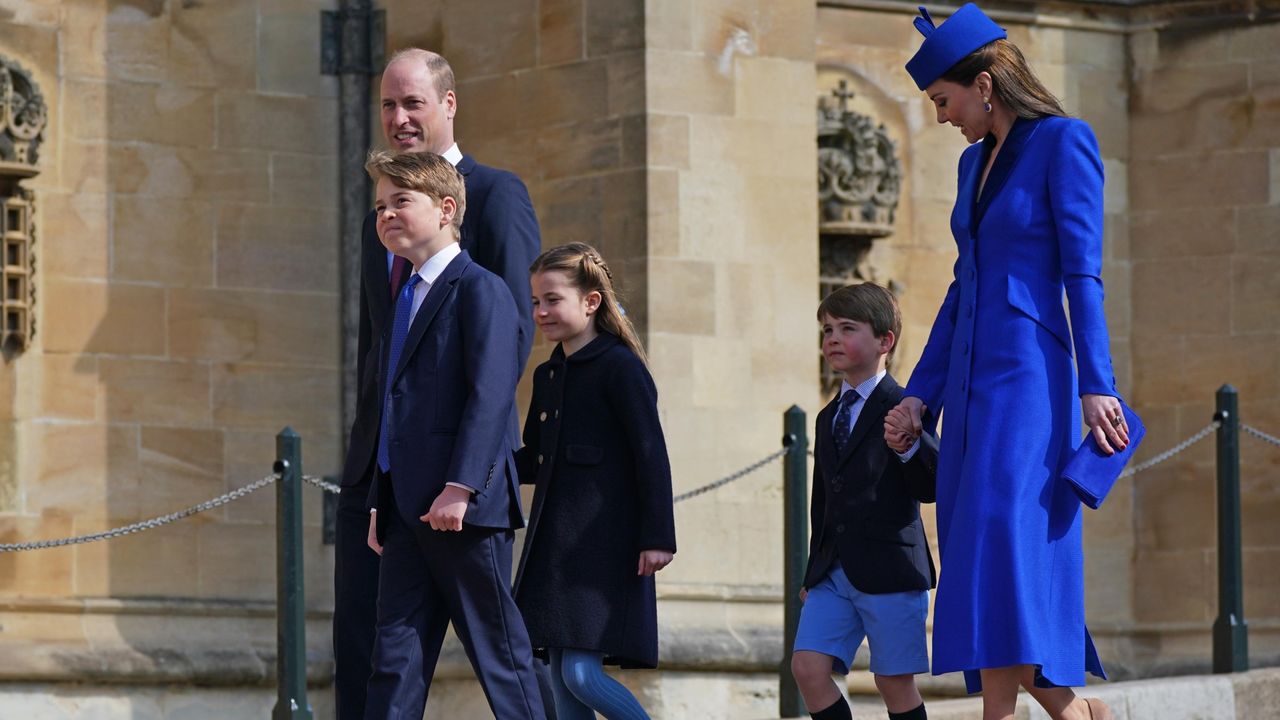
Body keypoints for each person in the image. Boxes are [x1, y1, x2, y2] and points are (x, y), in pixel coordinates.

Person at [887, 5, 1129, 720]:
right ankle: (1066, 711)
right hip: (967, 386)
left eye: (943, 101)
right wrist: (918, 396)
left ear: (985, 85)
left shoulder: (1064, 142)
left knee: (1003, 544)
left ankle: (1043, 710)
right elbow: (965, 287)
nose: (940, 118)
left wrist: (1097, 386)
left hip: (1030, 382)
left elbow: (1083, 274)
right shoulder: (970, 164)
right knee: (981, 559)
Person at [334, 48, 541, 719]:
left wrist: (466, 475)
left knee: (497, 655)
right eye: (388, 105)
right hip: (385, 477)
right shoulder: (382, 221)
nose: (397, 118)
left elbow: (505, 343)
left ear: (448, 104)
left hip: (460, 480)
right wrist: (374, 475)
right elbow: (378, 349)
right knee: (374, 653)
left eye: (412, 103)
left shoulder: (496, 195)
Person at [512, 243, 677, 720]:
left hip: (605, 549)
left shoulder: (621, 368)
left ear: (591, 302)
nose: (541, 312)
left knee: (581, 675)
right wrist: (467, 472)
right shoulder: (548, 375)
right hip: (555, 552)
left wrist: (657, 537)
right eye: (536, 302)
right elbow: (534, 459)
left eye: (553, 300)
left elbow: (652, 457)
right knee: (563, 683)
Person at [790, 283, 939, 720]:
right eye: (827, 330)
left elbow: (930, 486)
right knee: (808, 668)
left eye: (847, 328)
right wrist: (813, 570)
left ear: (884, 341)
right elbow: (823, 501)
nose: (832, 339)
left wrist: (910, 448)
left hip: (890, 569)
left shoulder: (905, 405)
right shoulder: (826, 416)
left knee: (893, 683)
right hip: (832, 572)